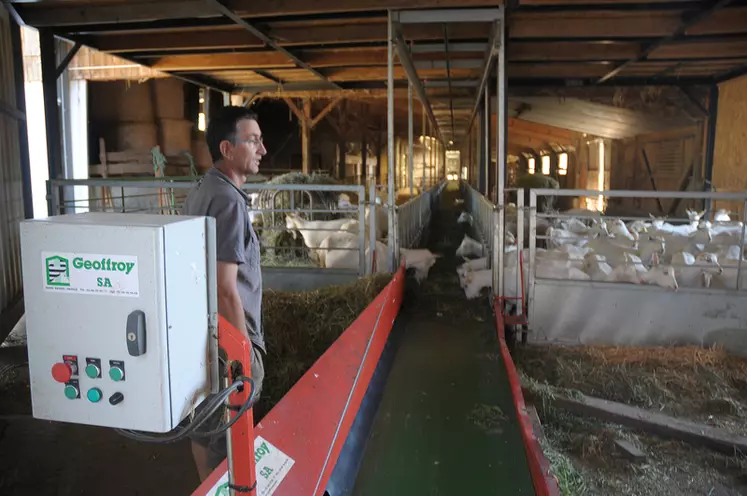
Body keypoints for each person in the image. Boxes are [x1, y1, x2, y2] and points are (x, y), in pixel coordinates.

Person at [181, 105, 268, 481]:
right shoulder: (230, 203)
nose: (262, 150)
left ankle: (205, 483)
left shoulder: (204, 189)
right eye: (253, 141)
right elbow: (225, 287)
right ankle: (227, 485)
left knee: (204, 417)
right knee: (231, 424)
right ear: (227, 149)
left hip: (202, 331)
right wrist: (243, 353)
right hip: (227, 337)